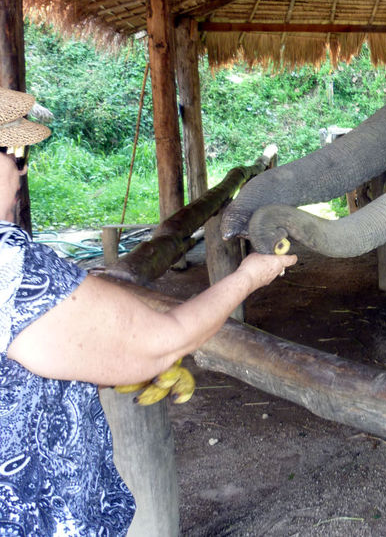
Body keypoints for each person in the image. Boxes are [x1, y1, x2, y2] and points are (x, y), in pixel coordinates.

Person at [0, 88, 297, 535]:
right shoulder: (14, 268)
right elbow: (163, 342)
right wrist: (251, 276)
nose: (22, 169)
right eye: (16, 153)